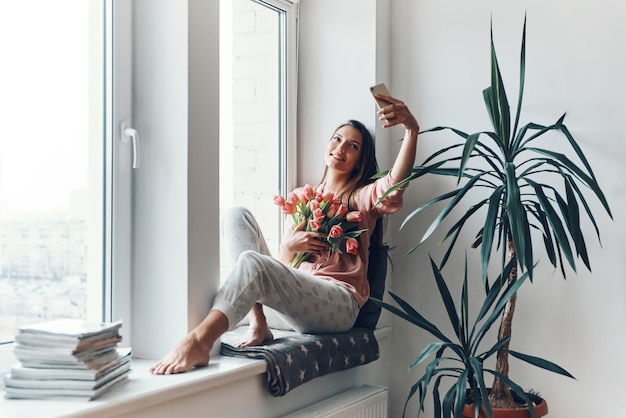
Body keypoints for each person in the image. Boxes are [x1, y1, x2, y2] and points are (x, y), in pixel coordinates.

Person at [150, 93, 420, 375]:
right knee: (236, 216)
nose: (341, 148)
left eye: (353, 146)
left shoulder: (361, 199)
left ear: (359, 162)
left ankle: (199, 340)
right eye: (337, 138)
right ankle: (258, 323)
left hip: (337, 305)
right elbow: (280, 270)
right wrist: (290, 247)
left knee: (254, 263)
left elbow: (394, 184)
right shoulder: (303, 200)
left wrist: (411, 130)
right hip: (295, 309)